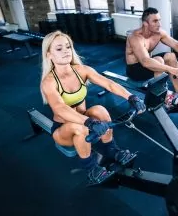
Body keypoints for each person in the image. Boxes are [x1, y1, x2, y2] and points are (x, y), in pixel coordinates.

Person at [40, 31, 146, 184]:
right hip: (64, 129)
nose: (66, 51)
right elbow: (60, 109)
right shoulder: (49, 81)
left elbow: (109, 84)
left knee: (99, 109)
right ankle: (91, 169)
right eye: (59, 48)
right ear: (49, 54)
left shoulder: (82, 70)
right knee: (80, 128)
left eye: (68, 47)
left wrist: (131, 97)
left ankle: (112, 150)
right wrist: (89, 122)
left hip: (87, 120)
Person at [126, 7, 178, 107]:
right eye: (155, 21)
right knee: (158, 60)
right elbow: (145, 61)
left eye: (159, 20)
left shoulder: (159, 33)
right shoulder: (135, 37)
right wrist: (171, 69)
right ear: (145, 23)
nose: (159, 24)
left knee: (171, 56)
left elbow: (177, 45)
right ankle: (166, 99)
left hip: (149, 65)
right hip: (135, 71)